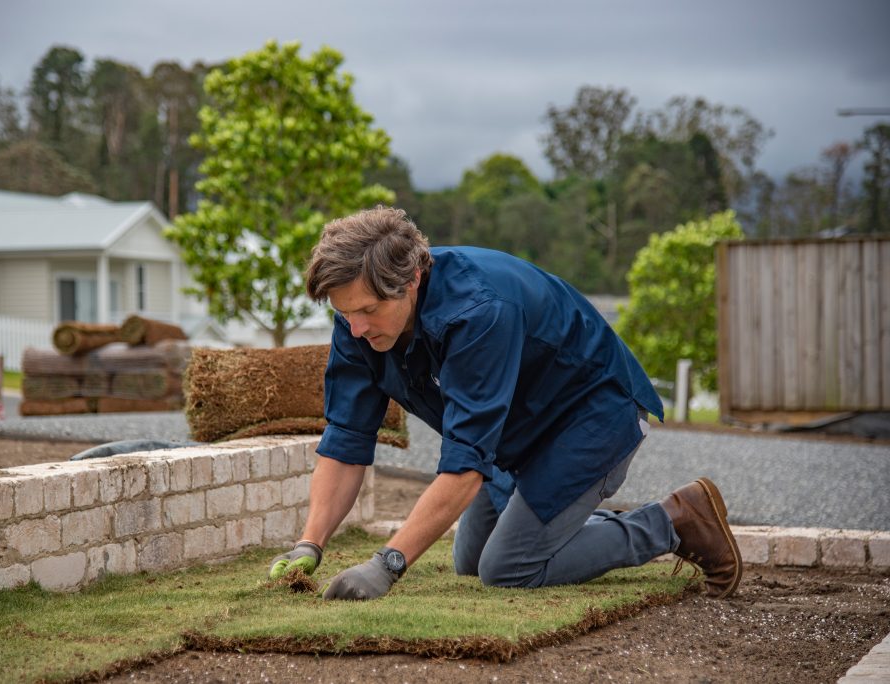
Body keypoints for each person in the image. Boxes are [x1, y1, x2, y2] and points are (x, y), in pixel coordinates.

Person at [268, 206, 742, 601]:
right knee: (470, 561)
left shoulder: (478, 312)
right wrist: (310, 544)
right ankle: (556, 523)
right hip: (514, 437)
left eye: (368, 310)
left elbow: (464, 463)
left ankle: (675, 521)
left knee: (507, 567)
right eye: (343, 312)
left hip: (592, 417)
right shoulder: (357, 326)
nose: (355, 328)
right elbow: (346, 441)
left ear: (412, 278)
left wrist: (387, 564)